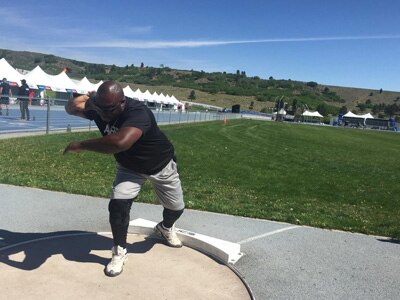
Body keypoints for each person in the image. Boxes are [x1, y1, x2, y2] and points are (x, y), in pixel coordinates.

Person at [63, 81, 185, 277]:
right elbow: (70, 108)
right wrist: (88, 98)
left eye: (108, 110)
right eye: (100, 108)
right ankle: (119, 251)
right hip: (129, 168)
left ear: (122, 102)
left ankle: (165, 227)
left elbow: (120, 142)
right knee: (117, 206)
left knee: (176, 208)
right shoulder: (100, 107)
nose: (103, 115)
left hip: (161, 165)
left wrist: (81, 144)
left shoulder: (138, 112)